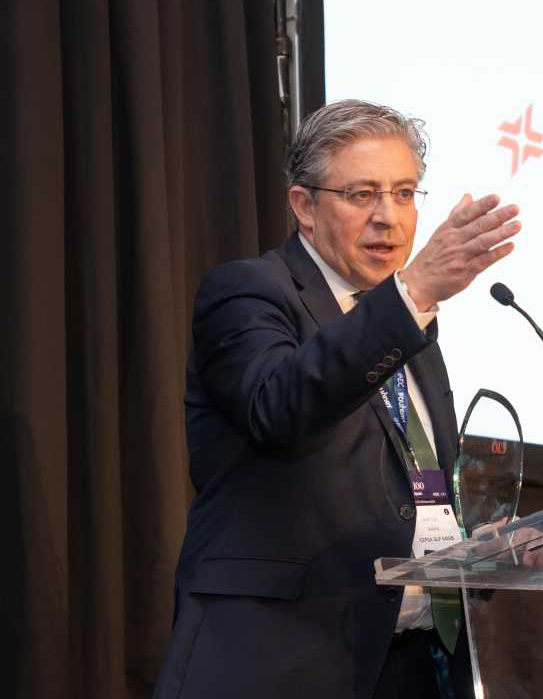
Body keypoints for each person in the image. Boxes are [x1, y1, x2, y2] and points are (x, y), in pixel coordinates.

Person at [153, 100, 521, 699]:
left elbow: (415, 493)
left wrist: (474, 551)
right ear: (304, 205)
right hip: (279, 661)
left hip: (410, 665)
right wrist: (413, 293)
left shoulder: (415, 331)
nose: (389, 218)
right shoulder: (250, 292)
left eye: (405, 194)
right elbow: (279, 405)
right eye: (362, 194)